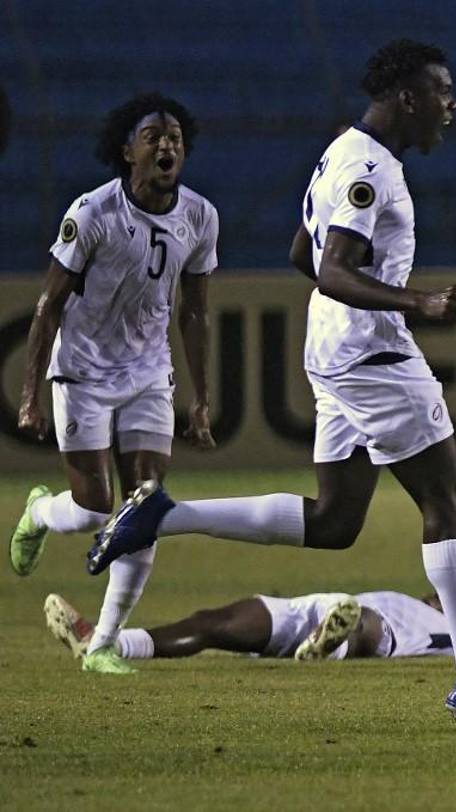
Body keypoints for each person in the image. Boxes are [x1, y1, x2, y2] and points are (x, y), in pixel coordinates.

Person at [86, 39, 456, 732]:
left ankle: (164, 515)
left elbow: (301, 252)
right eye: (441, 92)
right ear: (407, 96)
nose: (452, 106)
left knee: (335, 522)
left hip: (334, 348)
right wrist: (417, 303)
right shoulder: (366, 168)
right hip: (371, 355)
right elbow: (330, 267)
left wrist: (354, 318)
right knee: (447, 500)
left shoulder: (340, 152)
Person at [7, 93, 218, 676]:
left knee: (143, 505)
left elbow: (195, 311)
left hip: (149, 372)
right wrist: (29, 395)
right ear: (127, 151)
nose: (166, 144)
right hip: (83, 370)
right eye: (152, 135)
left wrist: (200, 399)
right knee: (96, 509)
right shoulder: (93, 213)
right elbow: (49, 306)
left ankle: (101, 642)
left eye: (175, 135)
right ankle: (42, 515)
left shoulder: (200, 216)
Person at [44, 590, 456, 665]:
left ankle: (332, 641)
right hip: (303, 610)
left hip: (376, 632)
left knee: (363, 621)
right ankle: (102, 644)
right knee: (210, 624)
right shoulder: (405, 593)